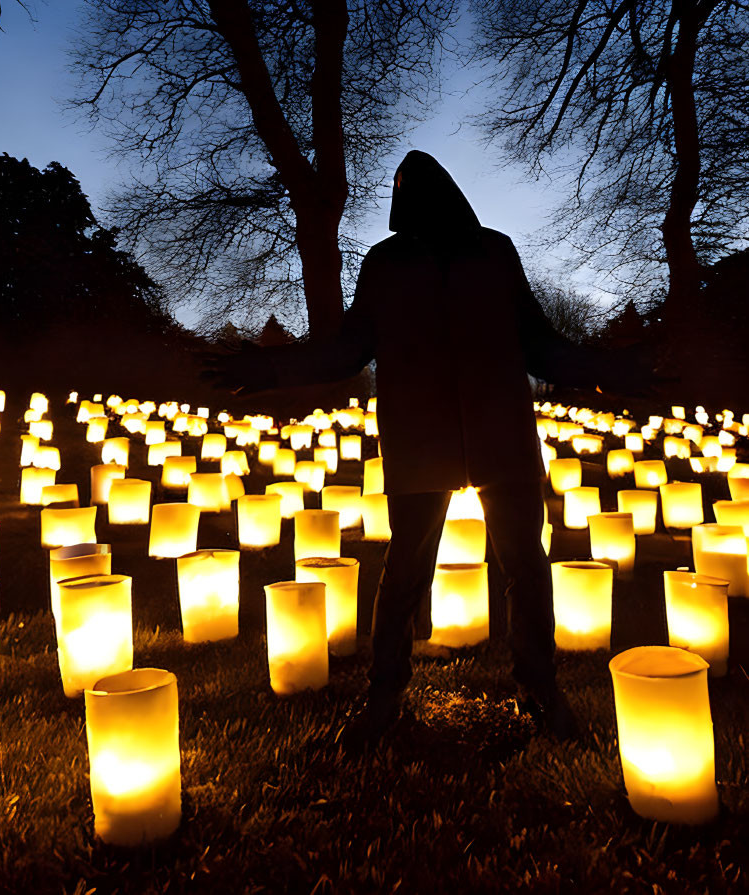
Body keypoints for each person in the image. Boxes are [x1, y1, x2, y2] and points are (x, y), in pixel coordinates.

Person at [208, 150, 648, 743]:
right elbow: (347, 349)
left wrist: (608, 371)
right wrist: (271, 369)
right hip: (421, 434)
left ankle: (540, 686)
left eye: (421, 187)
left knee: (525, 563)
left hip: (499, 433)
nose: (411, 197)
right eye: (403, 188)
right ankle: (384, 693)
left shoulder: (495, 253)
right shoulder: (385, 264)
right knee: (405, 568)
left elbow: (540, 343)